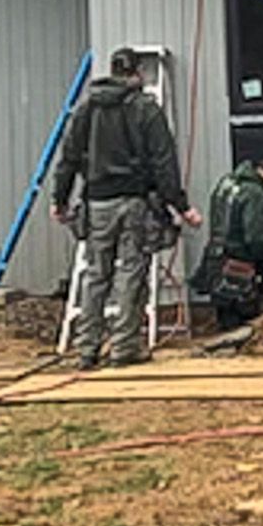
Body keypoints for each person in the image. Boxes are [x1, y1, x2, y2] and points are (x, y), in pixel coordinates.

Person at [50, 49, 202, 368]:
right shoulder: (146, 109)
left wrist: (59, 199)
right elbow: (164, 162)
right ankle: (124, 347)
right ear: (138, 74)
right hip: (134, 202)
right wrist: (182, 206)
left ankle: (87, 348)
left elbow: (69, 158)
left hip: (97, 203)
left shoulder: (86, 109)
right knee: (132, 273)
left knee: (95, 275)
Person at [201, 148, 263, 330]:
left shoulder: (226, 183)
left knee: (225, 322)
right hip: (238, 271)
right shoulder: (254, 194)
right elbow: (256, 238)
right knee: (245, 329)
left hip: (215, 263)